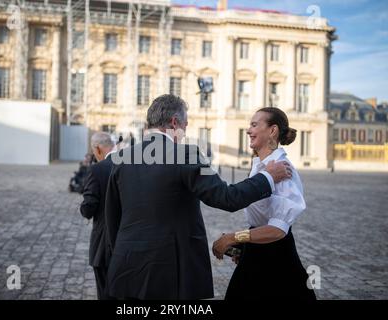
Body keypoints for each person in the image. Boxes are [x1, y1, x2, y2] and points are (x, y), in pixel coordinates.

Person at [104, 94, 292, 300]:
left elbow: (111, 218)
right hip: (169, 272)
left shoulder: (121, 158)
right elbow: (226, 197)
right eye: (185, 125)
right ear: (175, 123)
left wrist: (122, 254)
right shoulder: (186, 154)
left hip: (125, 268)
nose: (184, 132)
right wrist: (268, 177)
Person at [212, 107, 317, 301]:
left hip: (277, 260)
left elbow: (278, 230)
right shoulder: (263, 167)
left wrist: (234, 237)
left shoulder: (282, 170)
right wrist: (244, 247)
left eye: (254, 124)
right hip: (258, 252)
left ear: (272, 131)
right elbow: (261, 219)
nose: (248, 130)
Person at [80, 132, 117, 300]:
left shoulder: (97, 170)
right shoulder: (130, 164)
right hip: (128, 241)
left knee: (105, 293)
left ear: (97, 149)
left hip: (104, 243)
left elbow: (88, 208)